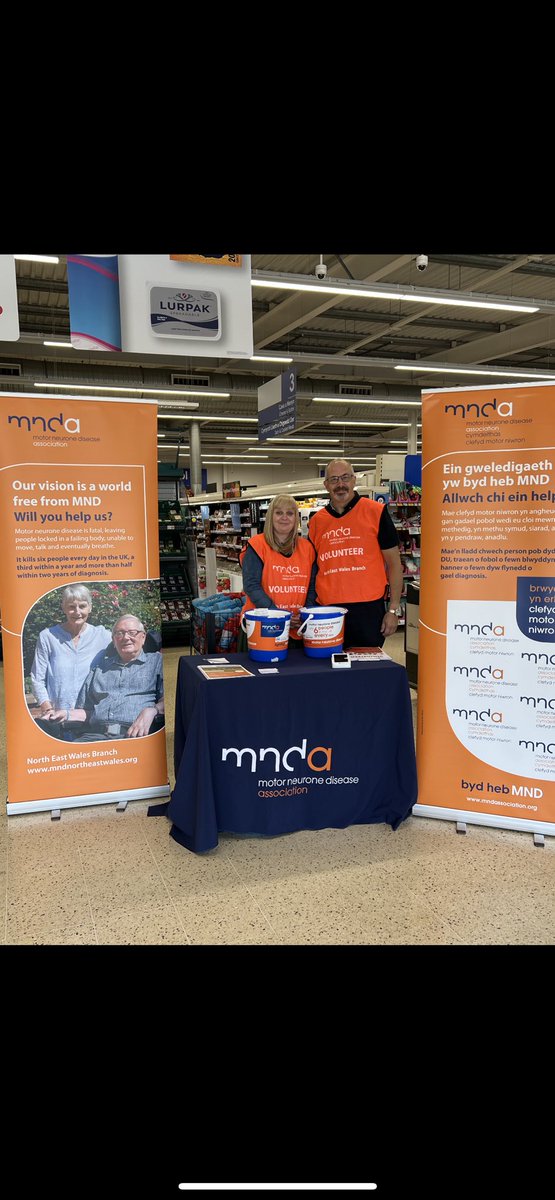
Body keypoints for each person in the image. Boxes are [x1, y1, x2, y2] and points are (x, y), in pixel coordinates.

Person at [308, 458, 403, 648]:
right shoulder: (317, 521)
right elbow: (313, 569)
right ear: (326, 485)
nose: (340, 484)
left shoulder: (375, 511)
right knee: (328, 668)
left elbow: (394, 564)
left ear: (354, 480)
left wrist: (393, 610)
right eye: (334, 479)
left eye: (345, 477)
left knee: (366, 671)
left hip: (367, 609)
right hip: (328, 610)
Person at [59, 615, 165, 741]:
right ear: (114, 640)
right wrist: (64, 714)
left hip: (136, 735)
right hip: (94, 737)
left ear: (143, 637)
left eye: (132, 633)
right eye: (119, 633)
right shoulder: (99, 669)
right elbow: (87, 711)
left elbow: (170, 700)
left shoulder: (157, 662)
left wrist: (153, 710)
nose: (126, 637)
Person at [30, 585, 112, 725]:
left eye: (82, 606)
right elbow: (37, 678)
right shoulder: (48, 637)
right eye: (71, 607)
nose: (77, 612)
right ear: (64, 608)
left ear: (90, 607)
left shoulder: (103, 636)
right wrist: (48, 709)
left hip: (90, 716)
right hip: (57, 717)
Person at [240, 494, 315, 642]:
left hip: (297, 627)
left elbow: (312, 587)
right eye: (279, 512)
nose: (284, 517)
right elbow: (251, 586)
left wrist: (305, 613)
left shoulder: (307, 548)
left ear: (296, 518)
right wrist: (279, 615)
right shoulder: (257, 545)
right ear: (270, 517)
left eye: (290, 513)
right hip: (261, 626)